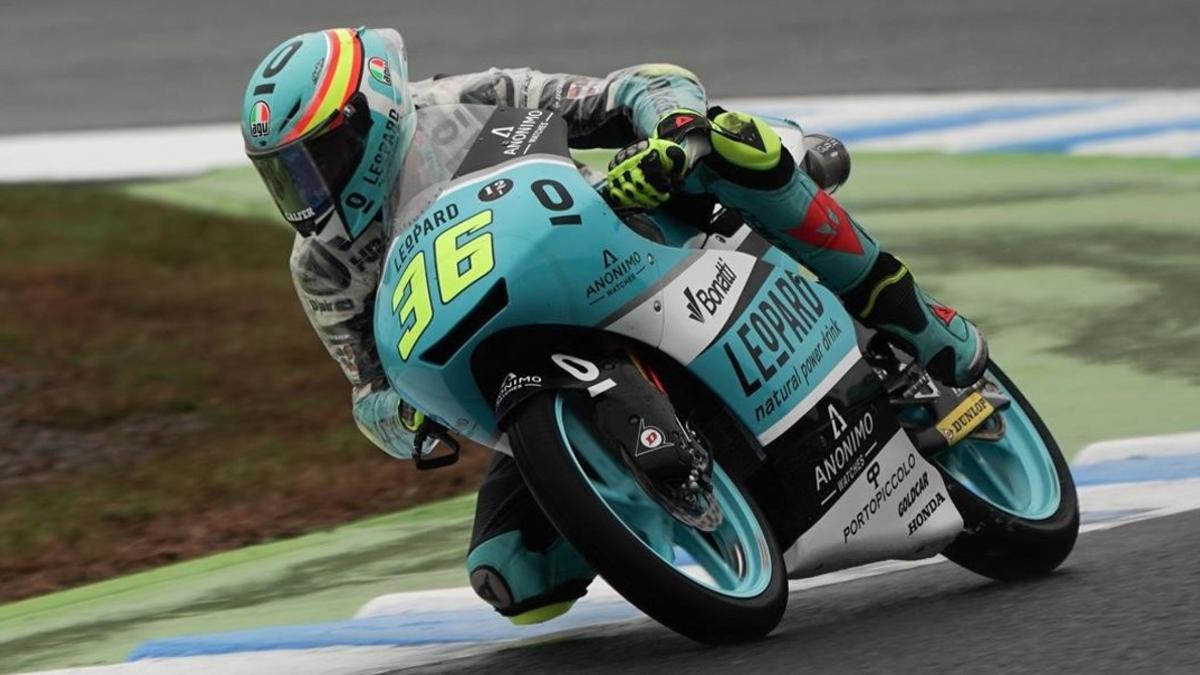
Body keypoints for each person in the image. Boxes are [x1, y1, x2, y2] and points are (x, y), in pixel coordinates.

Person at [241, 27, 987, 624]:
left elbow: (636, 87)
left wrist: (668, 131)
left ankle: (920, 326)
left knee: (724, 144)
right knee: (512, 577)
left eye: (320, 156)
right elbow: (365, 388)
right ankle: (681, 491)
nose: (308, 188)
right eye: (285, 173)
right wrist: (403, 417)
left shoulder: (472, 100)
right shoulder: (322, 266)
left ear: (374, 112)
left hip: (613, 246)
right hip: (516, 366)